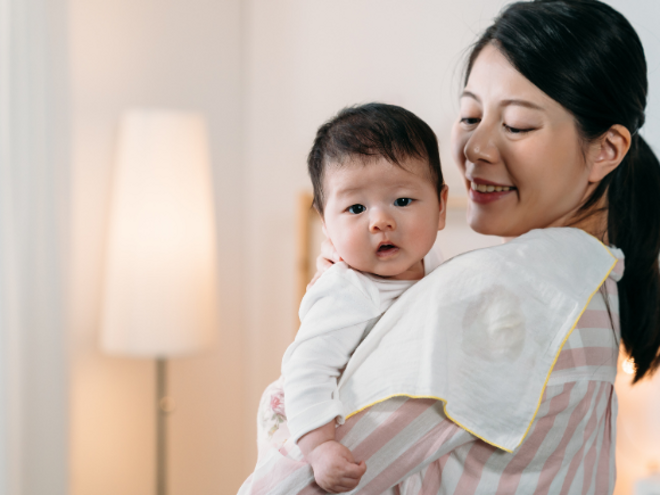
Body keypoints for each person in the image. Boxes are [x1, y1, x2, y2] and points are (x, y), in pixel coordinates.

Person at [240, 0, 660, 493]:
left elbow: (290, 486)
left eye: (517, 125)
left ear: (606, 149)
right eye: (469, 116)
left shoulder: (505, 293)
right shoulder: (593, 283)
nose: (474, 149)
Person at [281, 103, 448, 493]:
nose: (380, 221)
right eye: (356, 208)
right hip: (337, 437)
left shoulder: (438, 267)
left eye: (403, 201)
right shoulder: (346, 292)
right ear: (327, 225)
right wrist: (320, 447)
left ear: (441, 206)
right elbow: (306, 371)